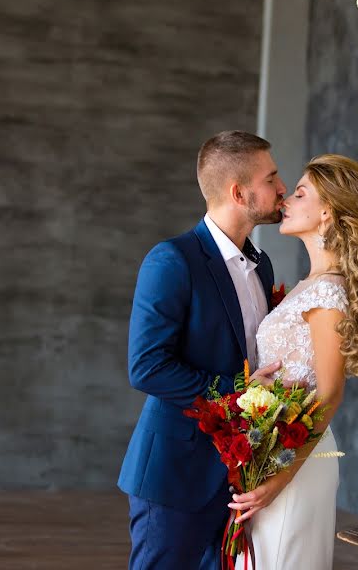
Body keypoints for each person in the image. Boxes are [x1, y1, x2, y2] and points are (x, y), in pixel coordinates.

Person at [117, 130, 288, 569]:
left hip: (237, 478)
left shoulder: (262, 265)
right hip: (176, 474)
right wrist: (238, 389)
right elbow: (147, 367)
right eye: (271, 178)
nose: (283, 188)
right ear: (238, 192)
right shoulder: (172, 260)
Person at [231, 154, 358, 569]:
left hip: (297, 464)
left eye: (300, 193)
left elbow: (330, 392)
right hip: (278, 452)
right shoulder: (310, 287)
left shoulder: (328, 296)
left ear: (327, 212)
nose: (286, 198)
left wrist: (281, 478)